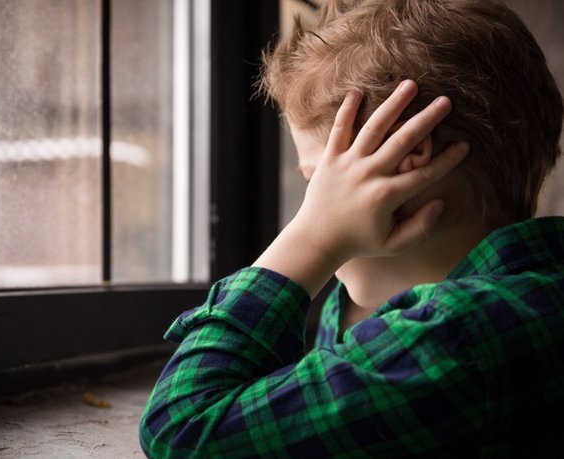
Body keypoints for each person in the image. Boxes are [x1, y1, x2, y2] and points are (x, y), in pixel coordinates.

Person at [139, 0, 564, 457]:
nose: (313, 210)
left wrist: (313, 239)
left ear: (402, 160)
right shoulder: (526, 299)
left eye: (318, 183)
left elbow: (183, 429)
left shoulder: (458, 336)